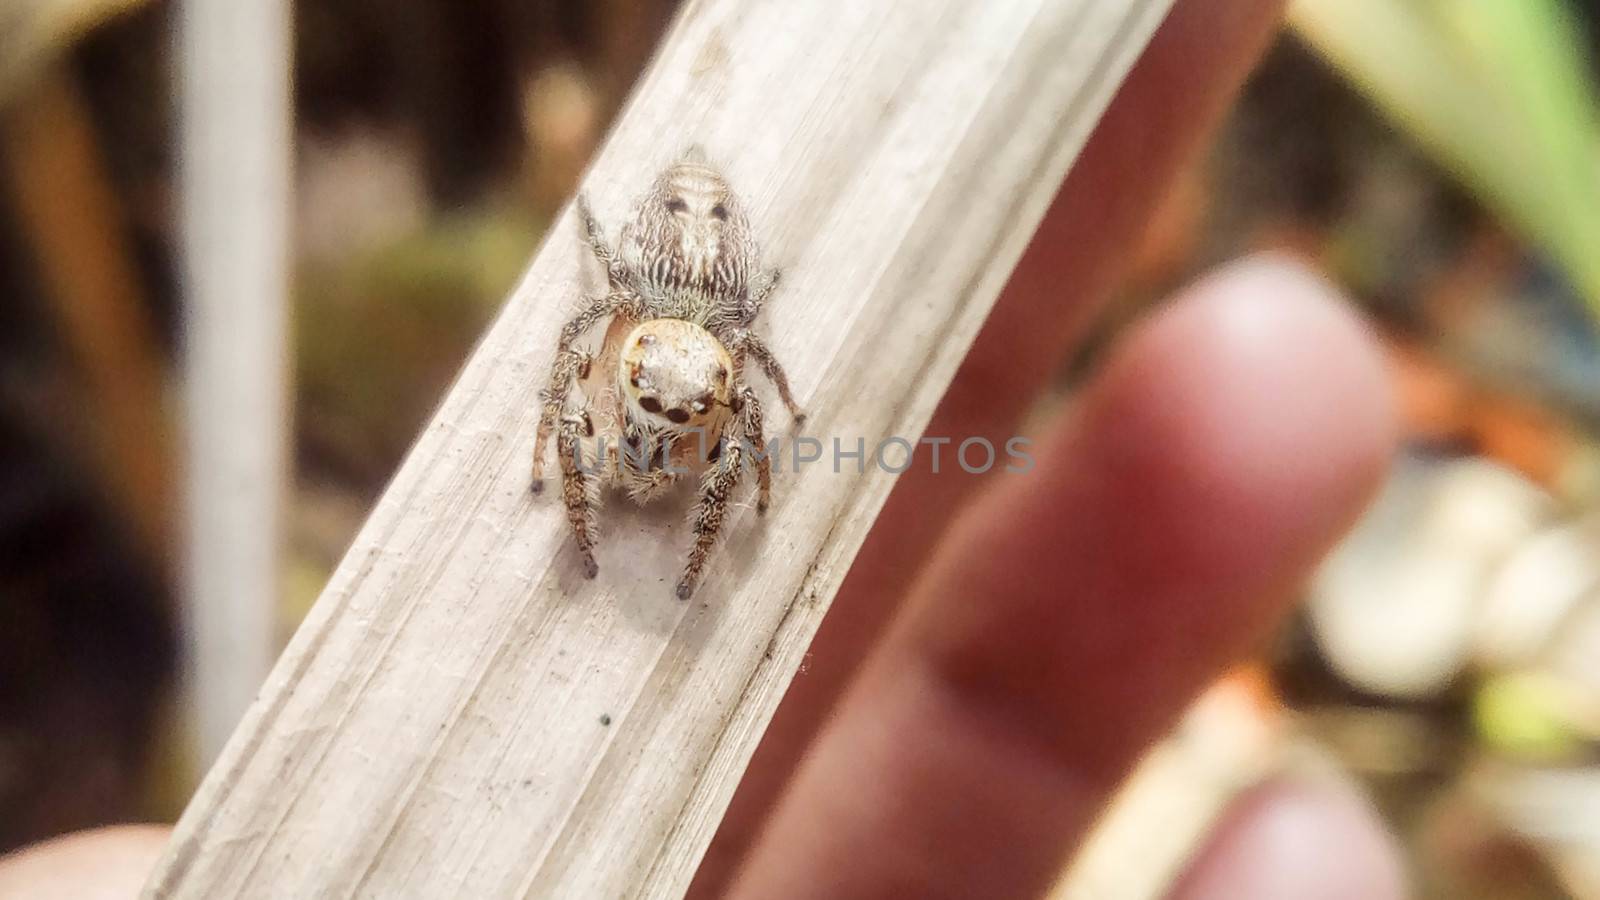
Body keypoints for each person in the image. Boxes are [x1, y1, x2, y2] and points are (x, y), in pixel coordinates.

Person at [0, 1, 1407, 897]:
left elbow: (749, 391)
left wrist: (751, 466)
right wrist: (569, 480)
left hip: (704, 291)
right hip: (669, 276)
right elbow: (578, 354)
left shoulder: (725, 367)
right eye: (653, 408)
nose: (669, 431)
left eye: (688, 409)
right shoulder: (611, 336)